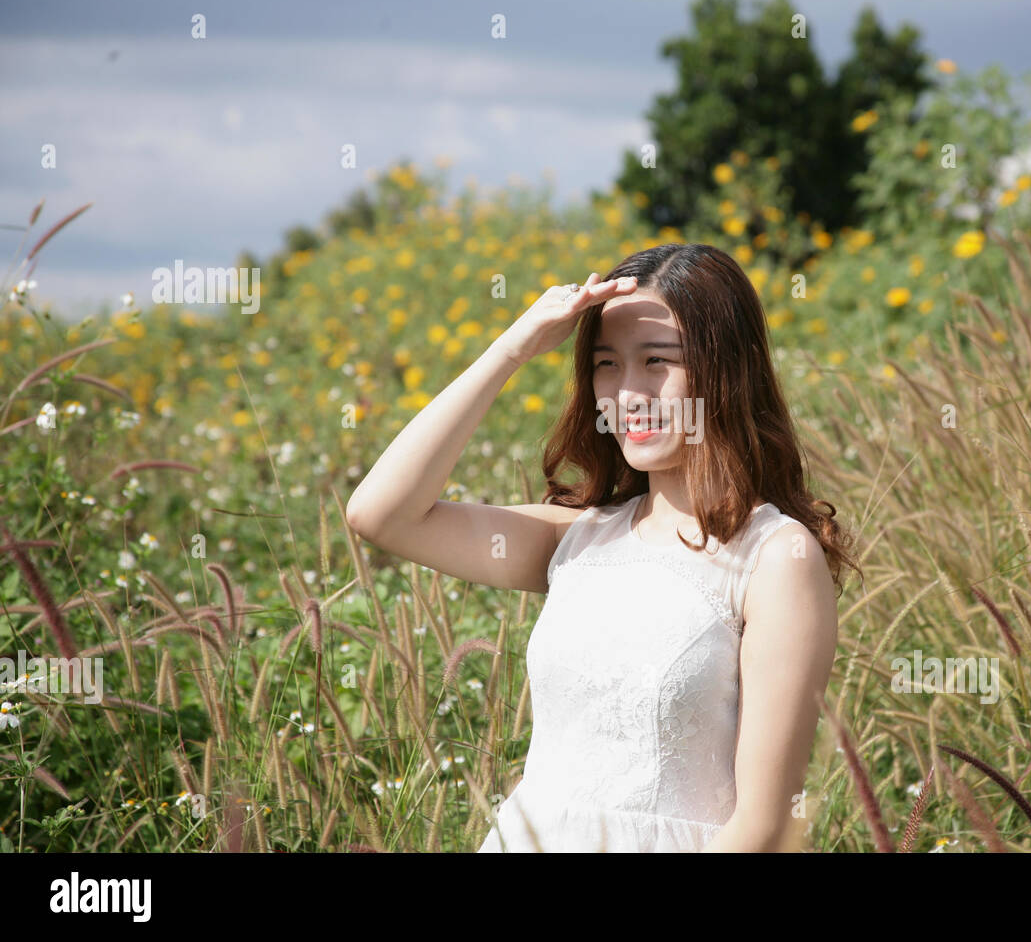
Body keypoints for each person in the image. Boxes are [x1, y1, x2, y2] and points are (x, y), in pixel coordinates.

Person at [345, 243, 860, 851]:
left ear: (729, 369)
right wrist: (513, 349)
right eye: (605, 363)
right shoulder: (577, 538)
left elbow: (767, 827)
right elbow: (380, 513)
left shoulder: (775, 558)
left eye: (657, 361)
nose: (628, 392)